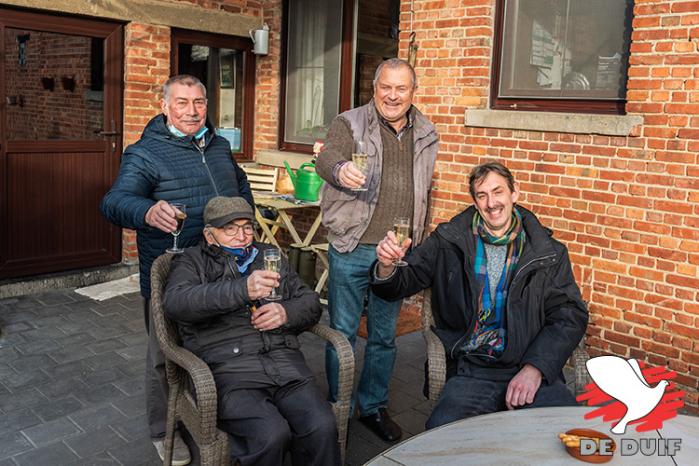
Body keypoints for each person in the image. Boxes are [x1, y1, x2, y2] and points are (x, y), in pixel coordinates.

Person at [100, 75, 253, 464]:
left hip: (223, 270)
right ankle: (162, 430)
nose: (191, 110)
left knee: (216, 345)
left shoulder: (218, 145)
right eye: (182, 102)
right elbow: (114, 201)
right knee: (164, 355)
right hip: (172, 273)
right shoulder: (145, 153)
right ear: (165, 106)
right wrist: (148, 211)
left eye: (199, 102)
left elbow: (240, 187)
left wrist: (246, 221)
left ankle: (213, 417)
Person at [371, 161, 588, 429]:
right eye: (482, 195)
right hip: (472, 369)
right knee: (442, 442)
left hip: (527, 365)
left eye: (498, 192)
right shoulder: (449, 241)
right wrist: (386, 265)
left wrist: (536, 368)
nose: (491, 203)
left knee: (566, 437)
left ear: (514, 193)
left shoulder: (547, 252)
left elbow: (570, 315)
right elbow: (398, 286)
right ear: (474, 201)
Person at [163, 196, 340, 466]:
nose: (242, 236)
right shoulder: (192, 261)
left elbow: (309, 302)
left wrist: (286, 313)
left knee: (322, 425)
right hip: (231, 373)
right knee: (271, 435)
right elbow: (177, 303)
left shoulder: (269, 255)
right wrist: (242, 290)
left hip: (285, 365)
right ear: (210, 235)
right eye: (230, 229)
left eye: (247, 227)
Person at [315, 58, 438, 442]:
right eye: (386, 87)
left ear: (413, 92)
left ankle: (372, 407)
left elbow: (425, 191)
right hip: (352, 245)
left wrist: (416, 238)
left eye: (401, 88)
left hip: (395, 253)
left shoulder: (427, 132)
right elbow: (326, 156)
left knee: (385, 336)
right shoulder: (349, 122)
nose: (393, 95)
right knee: (343, 332)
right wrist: (338, 171)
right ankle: (339, 406)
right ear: (375, 88)